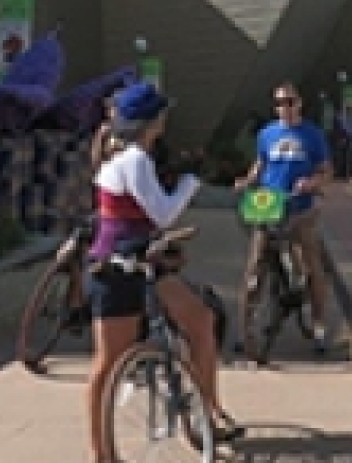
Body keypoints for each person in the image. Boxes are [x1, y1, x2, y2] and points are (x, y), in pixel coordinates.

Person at [84, 81, 239, 463]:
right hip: (119, 267)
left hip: (142, 261)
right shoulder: (133, 159)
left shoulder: (129, 158)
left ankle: (208, 412)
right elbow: (162, 212)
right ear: (152, 121)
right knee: (108, 363)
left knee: (200, 320)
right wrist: (190, 182)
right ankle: (101, 454)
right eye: (163, 114)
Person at [235, 82, 332, 353]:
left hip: (300, 207)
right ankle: (247, 329)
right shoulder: (267, 134)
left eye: (290, 102)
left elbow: (326, 171)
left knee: (312, 264)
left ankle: (319, 324)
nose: (284, 108)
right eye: (279, 103)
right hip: (269, 206)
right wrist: (247, 180)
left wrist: (312, 183)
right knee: (256, 266)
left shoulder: (312, 134)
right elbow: (261, 164)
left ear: (299, 103)